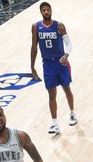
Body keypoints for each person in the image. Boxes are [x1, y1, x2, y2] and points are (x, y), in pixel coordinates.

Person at [30, 1, 76, 136]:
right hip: (47, 64)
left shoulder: (59, 26)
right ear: (41, 12)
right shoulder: (36, 27)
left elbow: (69, 45)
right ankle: (55, 123)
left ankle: (72, 113)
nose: (46, 12)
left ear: (51, 11)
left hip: (61, 63)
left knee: (67, 89)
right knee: (51, 94)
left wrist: (66, 55)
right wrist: (32, 67)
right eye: (43, 10)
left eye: (48, 10)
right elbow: (34, 48)